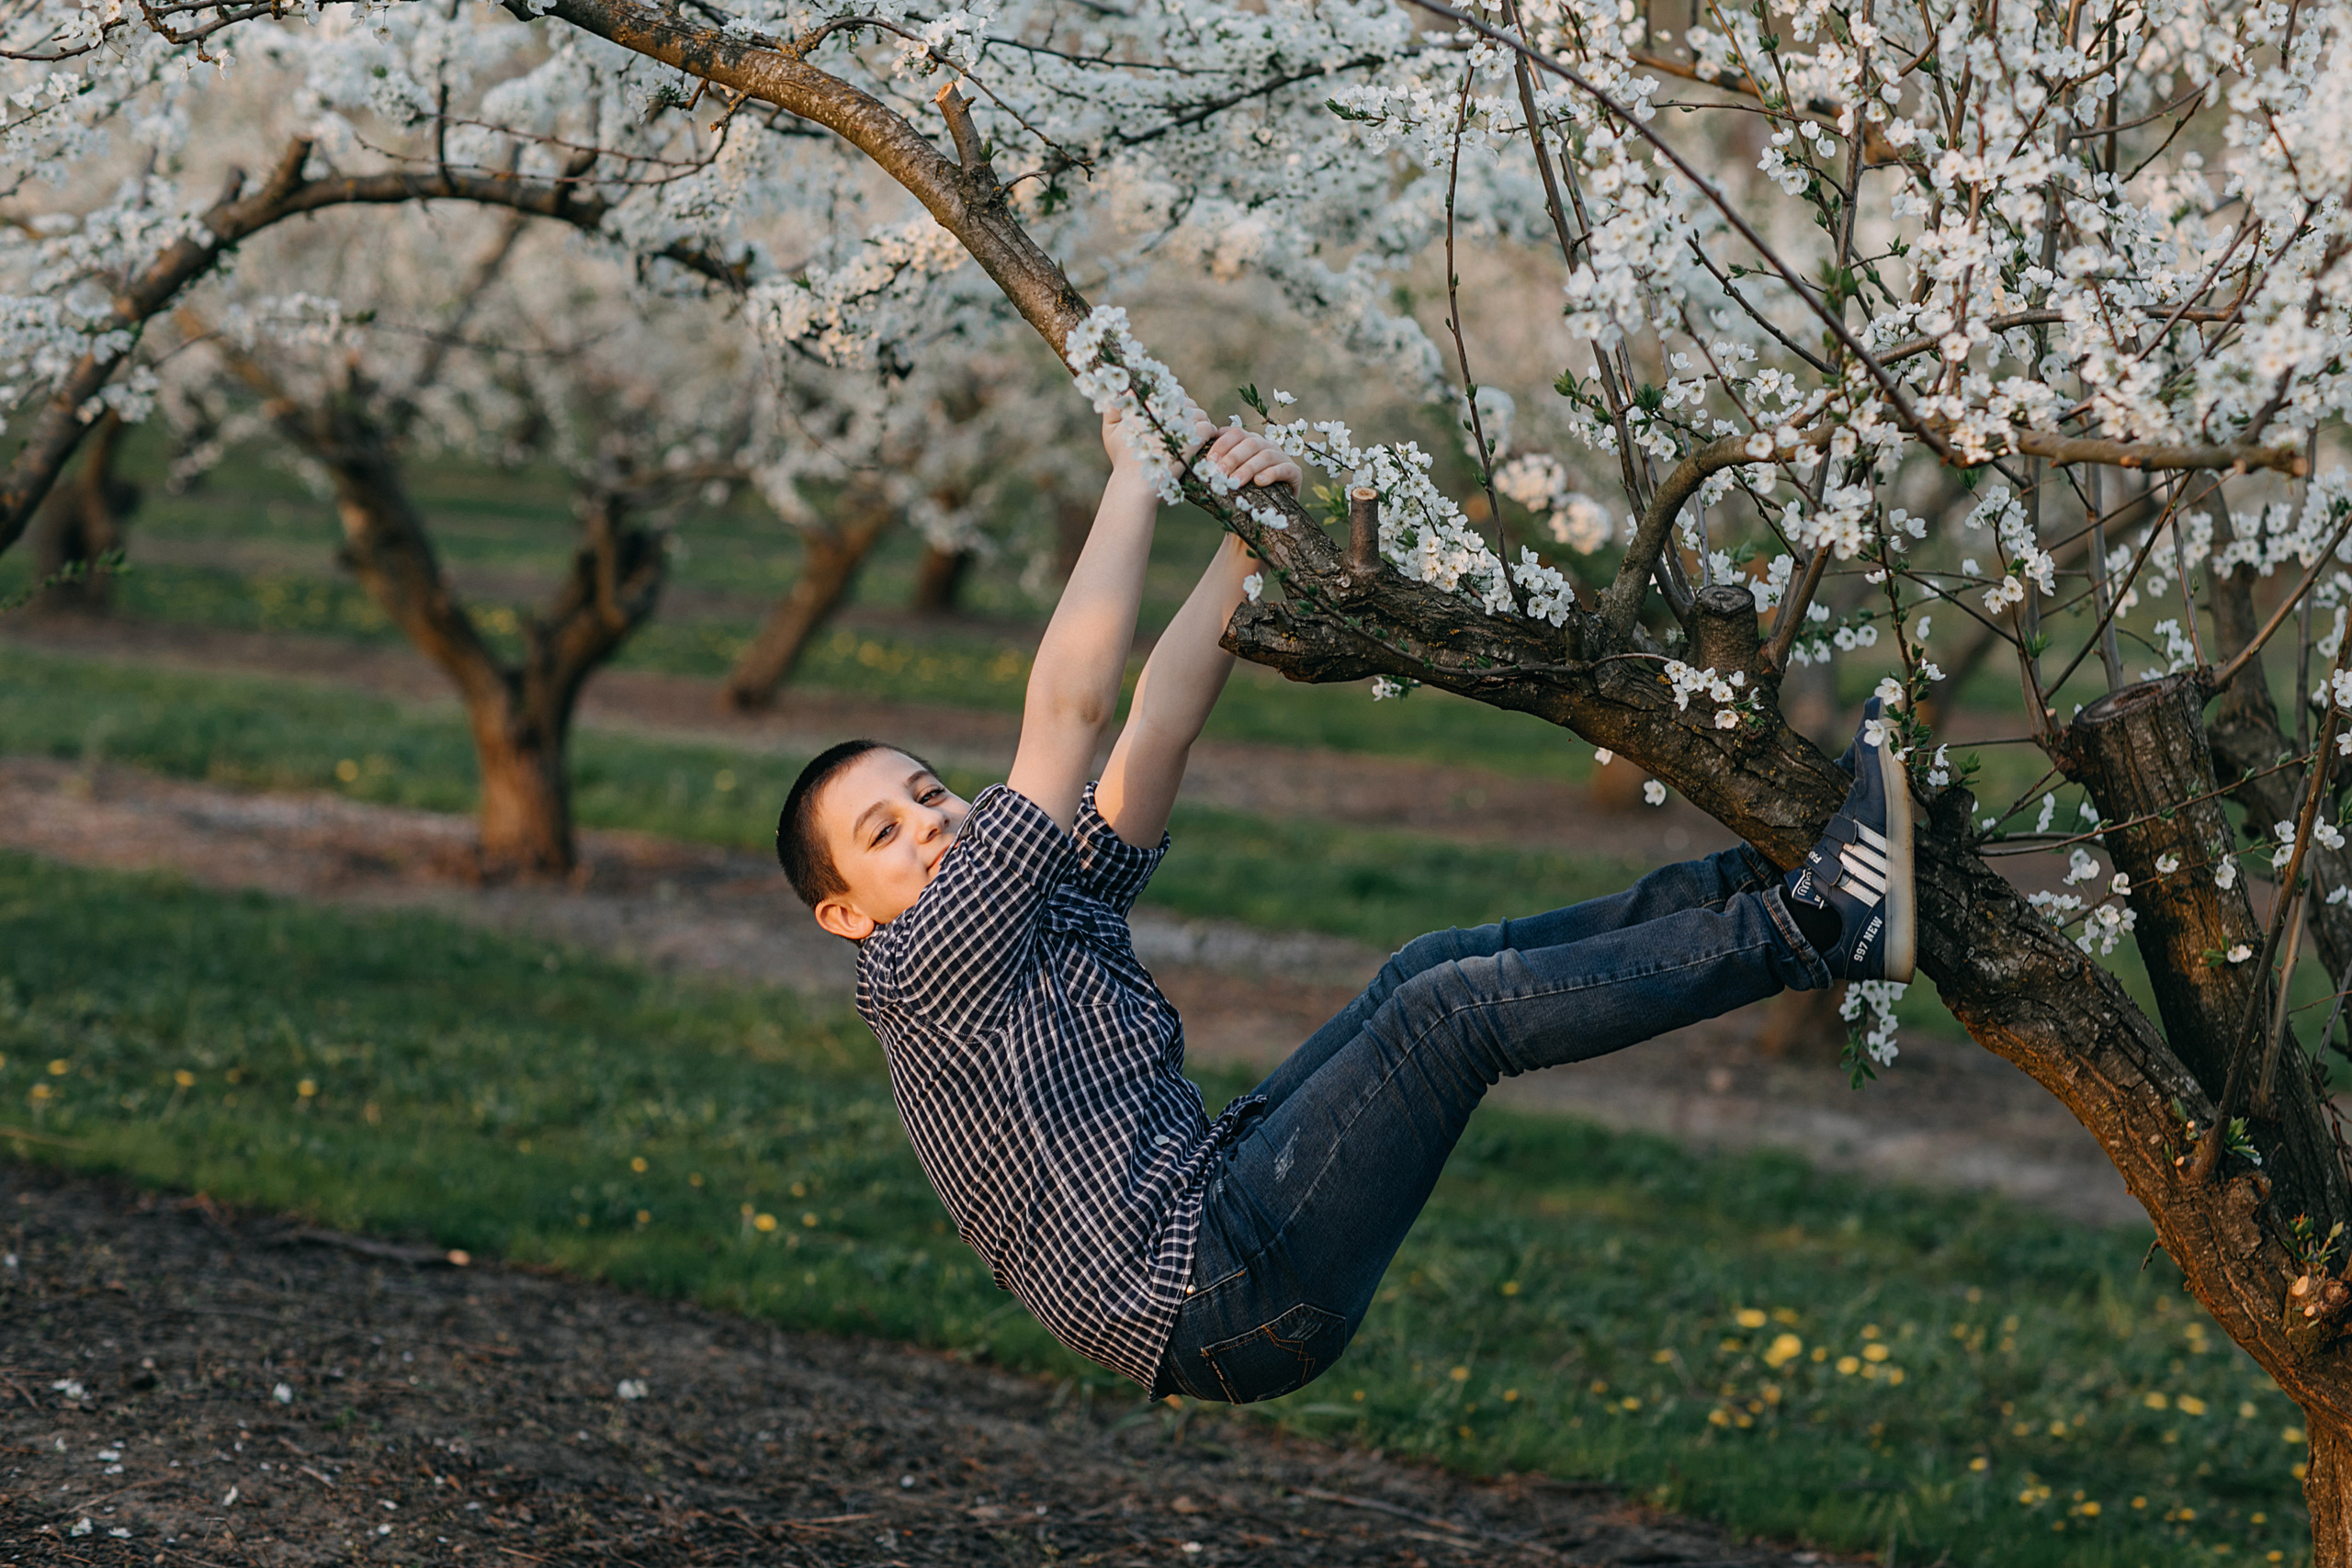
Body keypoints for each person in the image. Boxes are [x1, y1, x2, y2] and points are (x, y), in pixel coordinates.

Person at [773, 405, 1913, 1404]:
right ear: (845, 915)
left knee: (1425, 972)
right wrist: (1131, 480)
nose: (928, 823)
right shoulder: (927, 958)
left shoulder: (1034, 901)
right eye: (884, 832)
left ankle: (1776, 878)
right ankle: (1818, 923)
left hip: (1215, 1224)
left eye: (927, 792)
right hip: (1212, 1295)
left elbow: (1152, 726)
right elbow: (1066, 716)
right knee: (1447, 1018)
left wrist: (1240, 545)